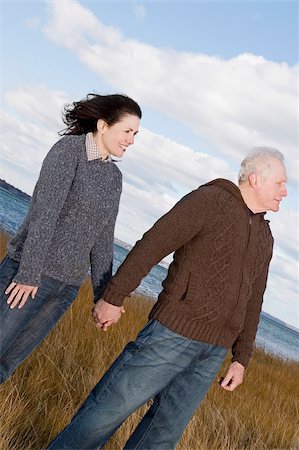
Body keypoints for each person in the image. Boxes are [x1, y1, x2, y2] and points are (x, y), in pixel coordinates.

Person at [47, 147, 287, 450]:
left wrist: (241, 358)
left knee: (160, 438)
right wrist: (115, 295)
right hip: (171, 334)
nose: (285, 192)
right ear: (255, 179)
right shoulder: (210, 200)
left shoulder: (265, 236)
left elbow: (255, 300)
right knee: (104, 414)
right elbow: (155, 242)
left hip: (213, 352)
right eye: (280, 183)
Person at [0, 93, 142, 383]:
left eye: (135, 134)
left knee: (6, 366)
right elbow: (45, 214)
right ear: (103, 125)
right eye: (127, 131)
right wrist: (28, 274)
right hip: (28, 277)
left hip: (65, 289)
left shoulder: (114, 178)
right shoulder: (69, 151)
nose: (131, 140)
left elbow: (103, 240)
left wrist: (103, 296)